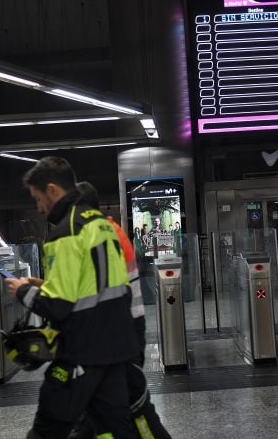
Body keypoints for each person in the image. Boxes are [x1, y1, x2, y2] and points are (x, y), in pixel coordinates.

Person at [6, 156, 138, 439]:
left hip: (81, 350)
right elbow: (100, 286)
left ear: (53, 190)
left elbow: (58, 306)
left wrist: (22, 291)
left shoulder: (64, 234)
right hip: (115, 346)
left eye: (38, 199)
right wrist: (46, 282)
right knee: (115, 429)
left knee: (48, 428)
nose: (39, 208)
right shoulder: (100, 224)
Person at [74, 182, 171, 439]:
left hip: (119, 333)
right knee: (100, 413)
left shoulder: (103, 236)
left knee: (135, 410)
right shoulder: (110, 230)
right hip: (125, 329)